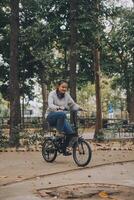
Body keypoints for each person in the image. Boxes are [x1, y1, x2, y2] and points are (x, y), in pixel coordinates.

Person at [45, 80, 81, 156]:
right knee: (62, 114)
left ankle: (63, 149)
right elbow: (50, 105)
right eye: (62, 87)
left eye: (66, 88)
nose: (64, 89)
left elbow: (73, 105)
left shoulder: (67, 95)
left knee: (70, 133)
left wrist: (80, 108)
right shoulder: (52, 94)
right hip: (51, 116)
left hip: (61, 118)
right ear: (58, 86)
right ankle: (59, 132)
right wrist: (59, 108)